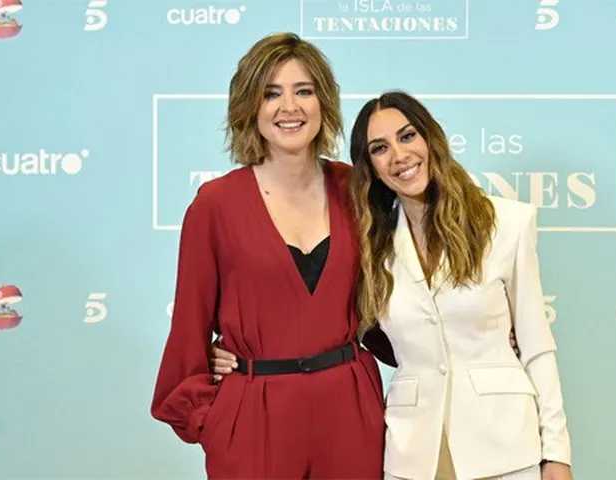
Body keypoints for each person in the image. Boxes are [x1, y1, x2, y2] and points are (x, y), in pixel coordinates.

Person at [212, 91, 573, 480]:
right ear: (370, 167)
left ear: (430, 139)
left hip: (505, 448)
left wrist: (556, 453)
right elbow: (318, 317)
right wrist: (227, 351)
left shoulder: (508, 224)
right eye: (380, 148)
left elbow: (537, 347)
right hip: (410, 452)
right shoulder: (370, 245)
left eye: (408, 136)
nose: (399, 155)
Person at [150, 33, 385, 479]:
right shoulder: (215, 205)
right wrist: (216, 420)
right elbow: (188, 326)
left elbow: (397, 297)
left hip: (350, 414)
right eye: (271, 93)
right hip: (254, 417)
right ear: (250, 107)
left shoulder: (358, 190)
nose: (289, 107)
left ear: (324, 102)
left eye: (304, 91)